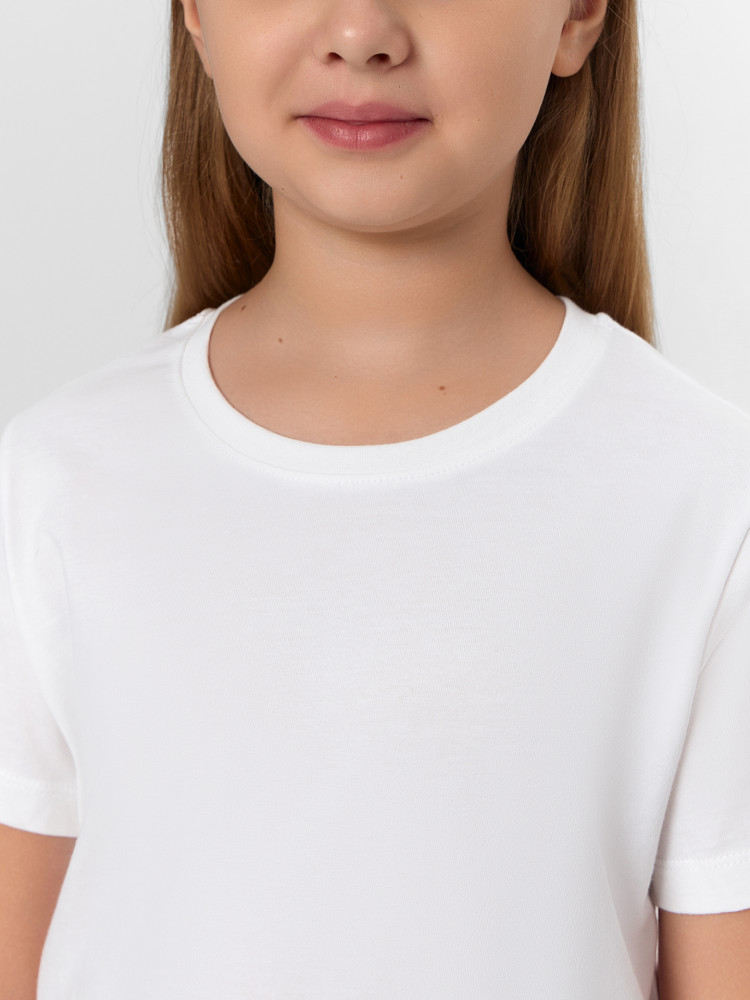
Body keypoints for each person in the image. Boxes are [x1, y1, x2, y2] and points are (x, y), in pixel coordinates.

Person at [1, 0, 749, 996]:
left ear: (577, 16)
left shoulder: (704, 495)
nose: (361, 32)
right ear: (195, 16)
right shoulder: (55, 480)